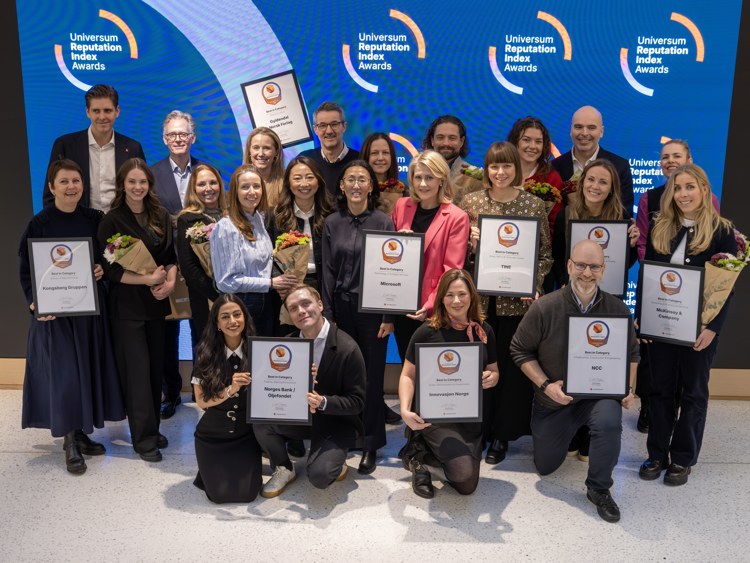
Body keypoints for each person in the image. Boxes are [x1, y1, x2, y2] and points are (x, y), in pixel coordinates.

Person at [510, 240, 639, 523]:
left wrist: (628, 388)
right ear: (569, 266)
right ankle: (573, 436)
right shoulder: (544, 307)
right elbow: (519, 350)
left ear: (603, 270)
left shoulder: (618, 309)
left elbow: (632, 353)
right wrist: (546, 385)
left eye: (594, 267)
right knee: (546, 466)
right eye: (580, 265)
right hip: (553, 402)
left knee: (608, 422)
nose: (587, 273)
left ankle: (599, 488)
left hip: (598, 398)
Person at [19, 160, 125, 474]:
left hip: (88, 311)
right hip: (55, 315)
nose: (71, 187)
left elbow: (109, 257)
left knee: (86, 370)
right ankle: (69, 440)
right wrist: (34, 303)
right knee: (65, 375)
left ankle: (80, 431)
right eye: (63, 181)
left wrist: (101, 268)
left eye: (76, 181)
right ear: (52, 187)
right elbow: (26, 270)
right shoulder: (39, 224)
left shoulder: (95, 219)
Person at [638, 164, 737, 487]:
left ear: (704, 190)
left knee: (693, 393)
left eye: (690, 187)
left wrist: (713, 328)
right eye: (677, 188)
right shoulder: (661, 228)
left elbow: (727, 288)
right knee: (660, 390)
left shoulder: (722, 232)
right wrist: (642, 318)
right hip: (662, 325)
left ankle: (682, 458)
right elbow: (648, 275)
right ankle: (657, 454)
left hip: (700, 330)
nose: (683, 194)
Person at [460, 142, 552, 464]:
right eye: (494, 166)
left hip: (517, 304)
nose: (500, 172)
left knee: (511, 372)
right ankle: (478, 429)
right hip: (480, 303)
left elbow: (545, 255)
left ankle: (502, 434)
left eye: (507, 166)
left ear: (517, 168)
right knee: (479, 366)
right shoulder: (471, 202)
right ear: (487, 169)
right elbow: (461, 257)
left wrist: (534, 285)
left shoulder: (533, 205)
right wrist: (471, 247)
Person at [633, 140, 719, 433]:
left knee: (690, 373)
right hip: (660, 294)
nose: (670, 161)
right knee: (656, 367)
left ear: (689, 160)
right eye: (665, 157)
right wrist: (657, 275)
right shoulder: (651, 200)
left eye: (677, 156)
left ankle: (681, 433)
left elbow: (714, 255)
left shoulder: (711, 206)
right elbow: (643, 243)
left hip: (694, 304)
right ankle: (650, 416)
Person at [98, 158, 177, 462]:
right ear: (122, 184)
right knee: (137, 375)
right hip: (127, 309)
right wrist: (146, 280)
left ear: (149, 184)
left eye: (142, 181)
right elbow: (110, 271)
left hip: (156, 305)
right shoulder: (111, 221)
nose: (137, 187)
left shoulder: (160, 215)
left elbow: (170, 257)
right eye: (132, 181)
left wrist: (169, 283)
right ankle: (143, 440)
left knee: (155, 371)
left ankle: (151, 429)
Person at [253, 284, 366, 497]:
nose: (301, 311)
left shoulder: (347, 347)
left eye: (306, 303)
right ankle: (284, 467)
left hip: (335, 422)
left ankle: (336, 459)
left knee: (320, 477)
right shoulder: (287, 345)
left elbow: (357, 402)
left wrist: (323, 401)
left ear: (320, 305)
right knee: (260, 417)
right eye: (293, 308)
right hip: (300, 419)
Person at [322, 160, 395, 474]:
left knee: (372, 377)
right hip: (341, 308)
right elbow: (327, 271)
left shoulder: (383, 222)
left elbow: (393, 271)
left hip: (373, 311)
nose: (355, 184)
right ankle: (348, 434)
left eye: (362, 179)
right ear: (341, 185)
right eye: (350, 179)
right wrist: (327, 314)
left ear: (371, 186)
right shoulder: (331, 223)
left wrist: (389, 315)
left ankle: (370, 444)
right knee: (346, 376)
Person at [399, 269, 500, 498]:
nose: (456, 301)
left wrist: (492, 378)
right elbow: (407, 375)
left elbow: (494, 371)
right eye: (450, 295)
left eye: (462, 294)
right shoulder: (426, 332)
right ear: (441, 298)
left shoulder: (484, 331)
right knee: (463, 475)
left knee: (467, 486)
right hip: (434, 417)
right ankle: (418, 459)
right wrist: (404, 410)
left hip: (469, 416)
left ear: (472, 296)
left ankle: (425, 454)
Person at [391, 150, 470, 366]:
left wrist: (429, 305)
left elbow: (451, 270)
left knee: (432, 371)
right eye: (418, 177)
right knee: (408, 367)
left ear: (441, 179)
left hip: (434, 308)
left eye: (429, 177)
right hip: (402, 304)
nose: (423, 184)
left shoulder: (456, 217)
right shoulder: (401, 206)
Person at [151, 110, 206, 420]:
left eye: (183, 134)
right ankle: (170, 392)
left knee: (203, 332)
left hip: (200, 266)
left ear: (192, 137)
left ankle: (201, 390)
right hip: (166, 265)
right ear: (164, 139)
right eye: (172, 134)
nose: (178, 139)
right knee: (167, 336)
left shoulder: (205, 172)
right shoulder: (152, 173)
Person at [191, 295, 263, 503]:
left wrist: (304, 375)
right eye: (225, 316)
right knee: (219, 496)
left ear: (245, 318)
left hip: (246, 436)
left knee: (248, 495)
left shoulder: (260, 350)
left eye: (237, 314)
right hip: (212, 436)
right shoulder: (204, 353)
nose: (232, 321)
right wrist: (231, 389)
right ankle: (207, 471)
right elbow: (202, 401)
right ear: (217, 323)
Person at [210, 165, 296, 336]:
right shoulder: (226, 227)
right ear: (234, 192)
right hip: (241, 305)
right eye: (245, 187)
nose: (252, 192)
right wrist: (270, 283)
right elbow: (226, 282)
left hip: (265, 302)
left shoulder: (258, 218)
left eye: (256, 186)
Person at [44, 84, 146, 211]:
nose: (102, 117)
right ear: (88, 112)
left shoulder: (133, 148)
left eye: (107, 110)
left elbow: (144, 193)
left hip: (121, 222)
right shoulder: (65, 145)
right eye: (96, 111)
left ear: (117, 111)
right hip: (78, 221)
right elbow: (50, 195)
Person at [552, 159, 639, 287]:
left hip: (608, 290)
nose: (595, 186)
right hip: (573, 290)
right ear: (582, 182)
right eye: (590, 179)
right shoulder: (565, 215)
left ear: (611, 188)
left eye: (603, 182)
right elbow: (557, 257)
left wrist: (632, 246)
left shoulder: (621, 217)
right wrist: (563, 282)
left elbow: (624, 265)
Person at [176, 163, 227, 351]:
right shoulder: (187, 219)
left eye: (213, 182)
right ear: (193, 189)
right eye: (201, 184)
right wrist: (218, 294)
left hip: (236, 296)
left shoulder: (233, 214)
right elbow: (188, 267)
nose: (208, 188)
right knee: (208, 352)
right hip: (205, 298)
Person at [551, 105, 634, 214]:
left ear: (601, 131)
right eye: (578, 127)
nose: (584, 133)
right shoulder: (554, 166)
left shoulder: (620, 166)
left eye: (591, 128)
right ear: (571, 130)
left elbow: (625, 214)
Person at [506, 116, 564, 237]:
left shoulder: (552, 178)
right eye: (526, 140)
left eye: (538, 141)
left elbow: (554, 223)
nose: (533, 146)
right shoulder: (501, 172)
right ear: (515, 142)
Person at [299, 101, 360, 197]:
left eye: (334, 124)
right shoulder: (305, 160)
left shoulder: (360, 160)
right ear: (315, 129)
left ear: (344, 127)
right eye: (322, 125)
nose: (329, 131)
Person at [422, 115, 483, 204]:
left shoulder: (475, 177)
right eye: (440, 137)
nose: (446, 143)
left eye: (452, 138)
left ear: (461, 141)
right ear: (432, 140)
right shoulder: (419, 171)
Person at [360, 132, 407, 215]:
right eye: (374, 153)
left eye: (385, 153)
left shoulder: (403, 191)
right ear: (366, 156)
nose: (381, 158)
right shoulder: (357, 188)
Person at [243, 127, 285, 207]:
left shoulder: (286, 184)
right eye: (256, 148)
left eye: (266, 148)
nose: (261, 154)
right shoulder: (238, 183)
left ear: (276, 152)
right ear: (249, 151)